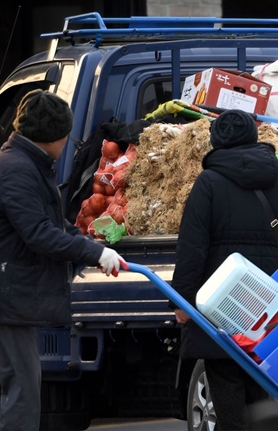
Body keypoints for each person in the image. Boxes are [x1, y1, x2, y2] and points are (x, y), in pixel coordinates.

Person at [0, 89, 126, 431]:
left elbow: (53, 225)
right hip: (9, 295)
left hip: (13, 294)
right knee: (21, 392)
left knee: (19, 386)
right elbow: (38, 232)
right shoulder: (17, 169)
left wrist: (86, 243)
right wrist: (94, 251)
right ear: (53, 135)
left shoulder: (26, 163)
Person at [171, 109, 278, 431]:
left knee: (226, 385)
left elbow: (193, 245)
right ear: (254, 137)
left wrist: (182, 299)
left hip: (222, 300)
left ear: (216, 141)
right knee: (262, 383)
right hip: (267, 301)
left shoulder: (209, 182)